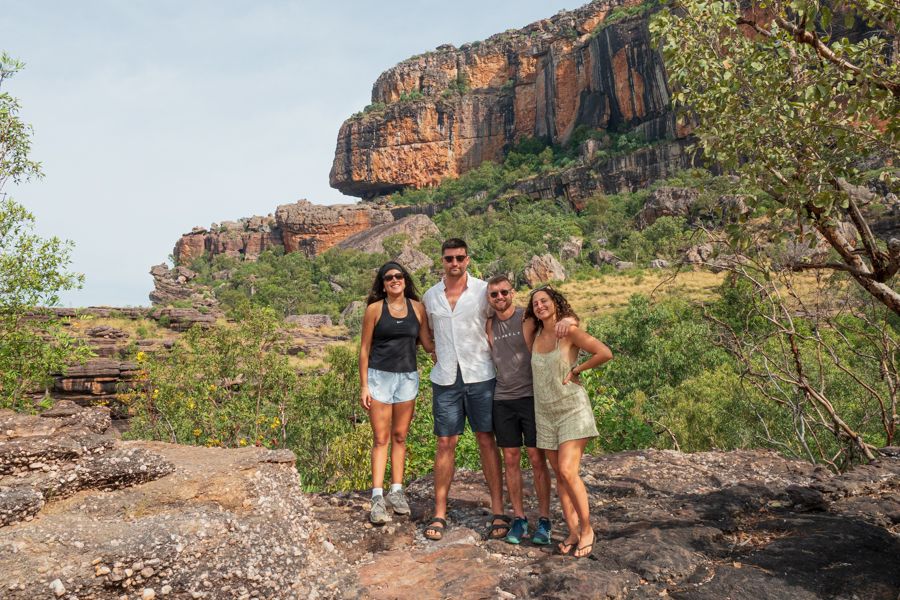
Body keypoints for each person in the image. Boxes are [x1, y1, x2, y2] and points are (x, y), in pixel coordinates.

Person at [421, 239, 506, 541]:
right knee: (445, 442)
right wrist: (433, 349)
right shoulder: (431, 296)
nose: (454, 263)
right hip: (446, 378)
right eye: (448, 259)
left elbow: (505, 317)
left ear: (468, 259)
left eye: (459, 258)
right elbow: (424, 330)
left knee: (486, 438)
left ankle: (498, 510)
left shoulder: (484, 291)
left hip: (481, 374)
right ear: (441, 261)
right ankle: (439, 513)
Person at [525, 286, 612, 558]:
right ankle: (573, 530)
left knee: (567, 470)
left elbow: (604, 352)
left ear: (556, 303)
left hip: (572, 409)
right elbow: (519, 317)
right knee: (560, 476)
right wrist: (568, 316)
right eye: (535, 303)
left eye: (545, 301)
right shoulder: (535, 333)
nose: (540, 305)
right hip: (546, 414)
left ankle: (587, 529)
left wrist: (577, 369)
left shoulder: (569, 332)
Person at [359, 262, 434, 525]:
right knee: (381, 439)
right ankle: (378, 497)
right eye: (389, 277)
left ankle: (397, 491)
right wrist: (364, 385)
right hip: (380, 377)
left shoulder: (417, 308)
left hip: (407, 378)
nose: (394, 280)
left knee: (400, 436)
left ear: (405, 280)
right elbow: (364, 349)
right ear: (383, 284)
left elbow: (426, 344)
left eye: (399, 276)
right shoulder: (374, 310)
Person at [485, 275, 553, 545]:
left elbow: (556, 321)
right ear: (489, 299)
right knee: (511, 460)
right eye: (494, 295)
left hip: (531, 396)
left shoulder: (527, 317)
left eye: (504, 292)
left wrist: (570, 322)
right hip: (502, 399)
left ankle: (545, 519)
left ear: (512, 293)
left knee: (537, 459)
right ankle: (520, 518)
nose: (500, 298)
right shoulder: (489, 324)